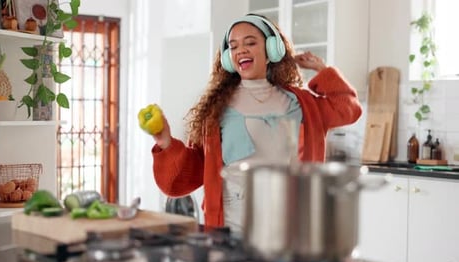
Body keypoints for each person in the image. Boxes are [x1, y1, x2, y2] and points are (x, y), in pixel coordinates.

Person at [147, 14, 362, 233]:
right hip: (232, 225)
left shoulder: (301, 103)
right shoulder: (216, 110)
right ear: (229, 59)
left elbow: (349, 109)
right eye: (233, 46)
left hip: (291, 222)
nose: (241, 50)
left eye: (250, 43)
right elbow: (186, 176)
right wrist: (164, 141)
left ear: (271, 50)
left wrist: (322, 70)